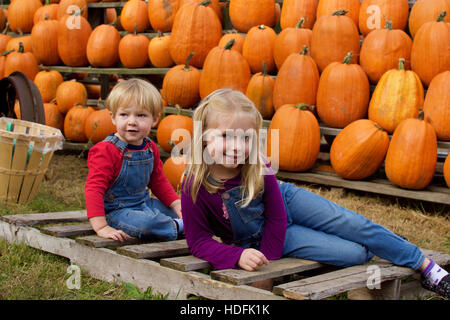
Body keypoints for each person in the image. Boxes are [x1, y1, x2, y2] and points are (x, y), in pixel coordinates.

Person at [180, 88, 449, 299]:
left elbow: (277, 217)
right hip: (258, 237)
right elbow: (198, 241)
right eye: (226, 136)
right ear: (204, 136)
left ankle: (425, 266)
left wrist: (270, 259)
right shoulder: (195, 185)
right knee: (354, 255)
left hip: (288, 207)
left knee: (349, 223)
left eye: (246, 138)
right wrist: (237, 256)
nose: (237, 146)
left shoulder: (258, 168)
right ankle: (384, 241)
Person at [85, 78, 183, 242]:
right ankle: (180, 227)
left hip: (145, 204)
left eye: (141, 115)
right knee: (147, 224)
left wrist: (176, 204)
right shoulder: (106, 150)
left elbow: (158, 180)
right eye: (124, 114)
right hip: (117, 212)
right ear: (113, 117)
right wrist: (101, 226)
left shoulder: (150, 147)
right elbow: (94, 188)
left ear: (154, 119)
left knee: (185, 210)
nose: (132, 121)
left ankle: (178, 223)